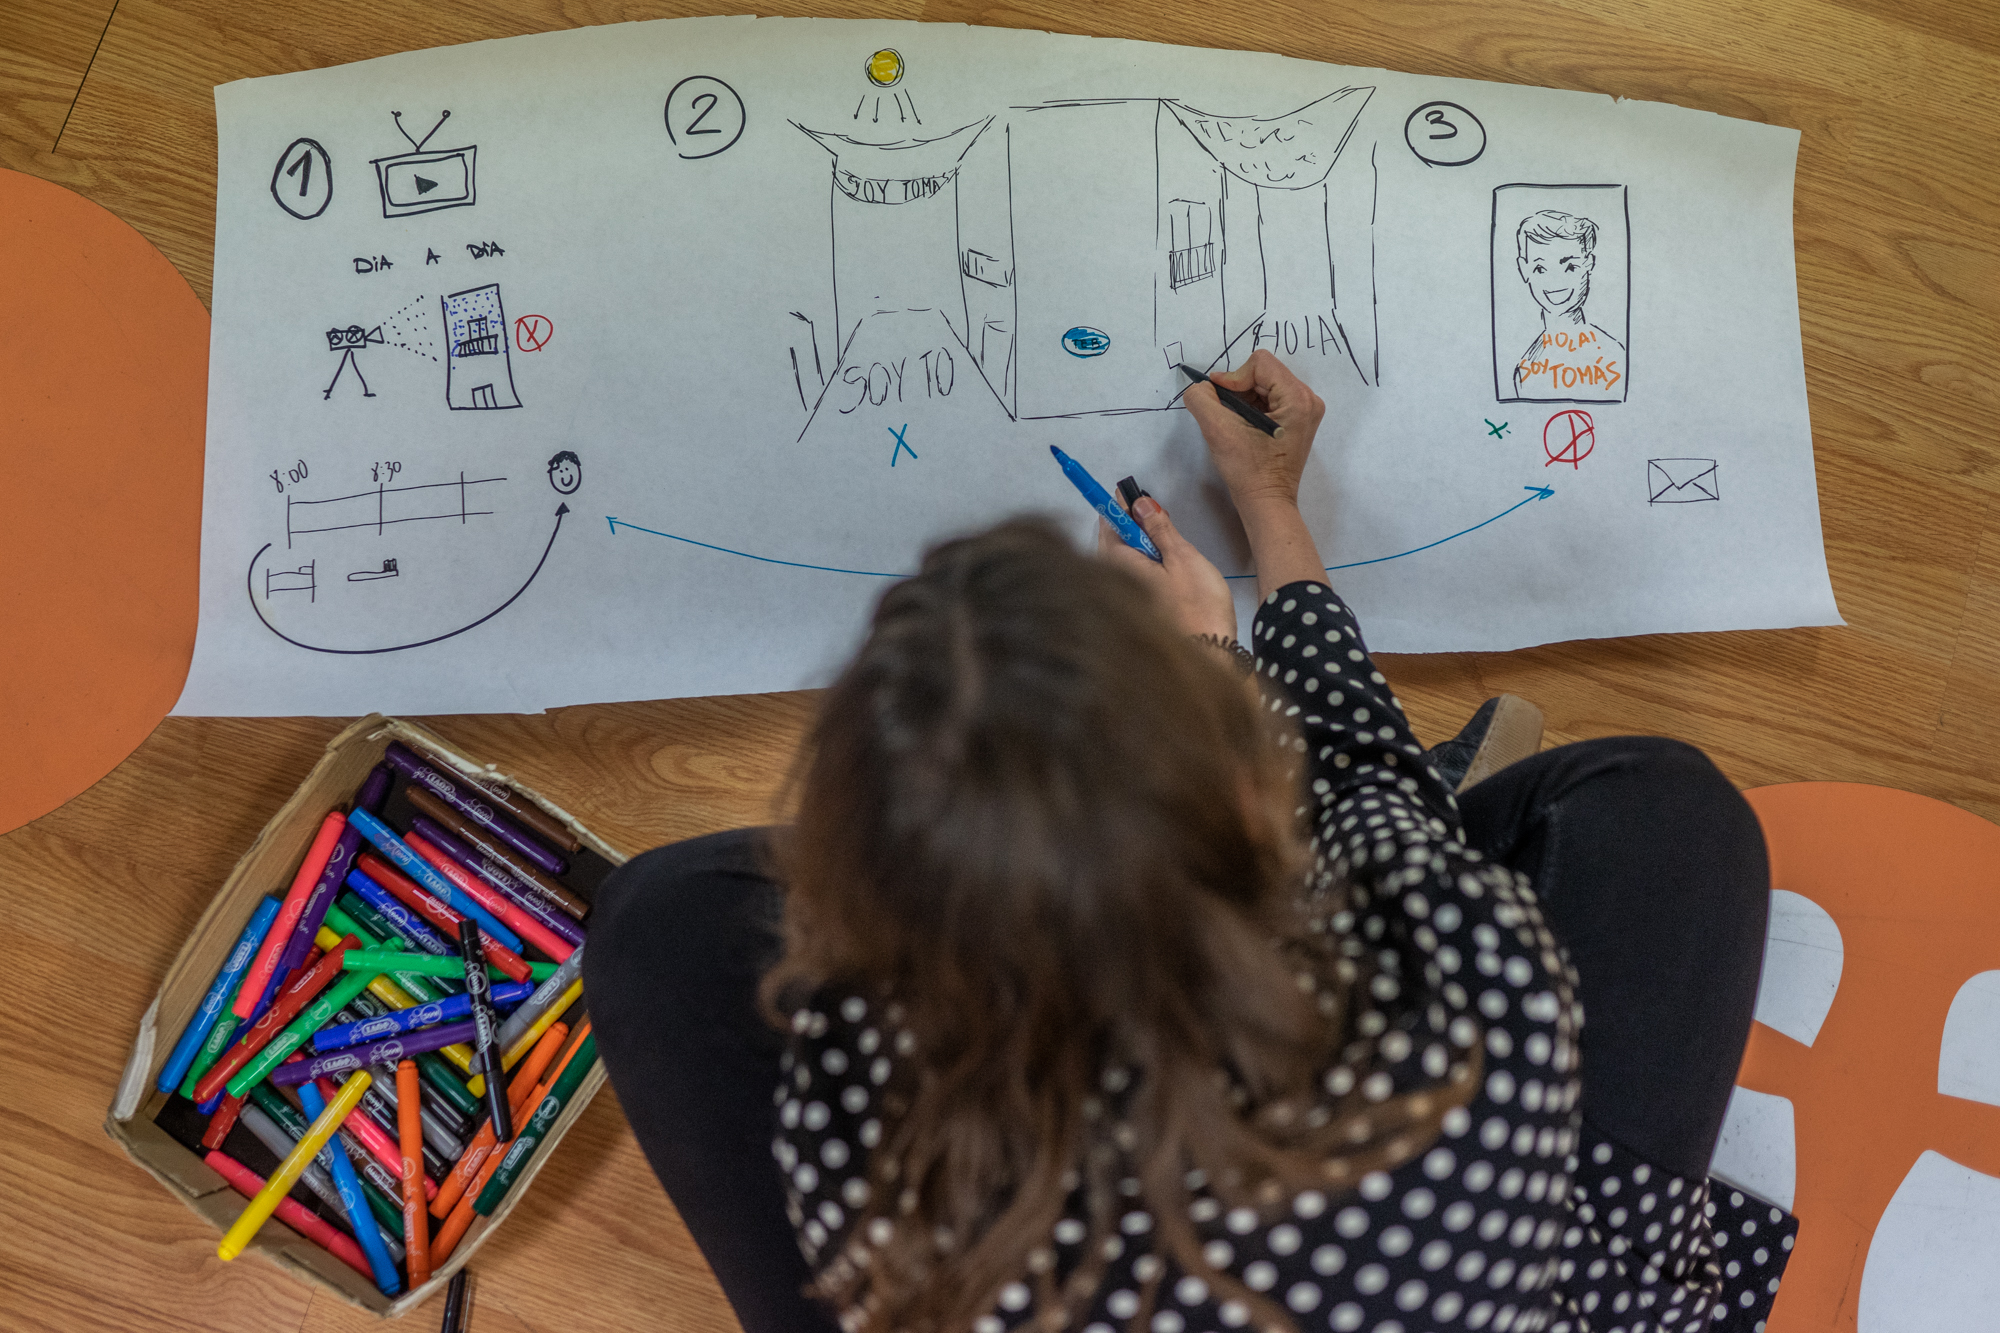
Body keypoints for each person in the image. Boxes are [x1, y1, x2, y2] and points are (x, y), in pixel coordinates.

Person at [585, 350, 1780, 1333]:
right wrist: (1245, 572)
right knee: (1664, 812)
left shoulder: (866, 1109)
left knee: (656, 920)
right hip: (1455, 1271)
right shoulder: (1462, 976)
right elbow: (1362, 765)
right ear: (1259, 804)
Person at [1511, 212, 1626, 400]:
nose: (1555, 281)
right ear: (1524, 270)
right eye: (1540, 269)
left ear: (1589, 263)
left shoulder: (1615, 357)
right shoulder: (1525, 369)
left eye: (1571, 267)